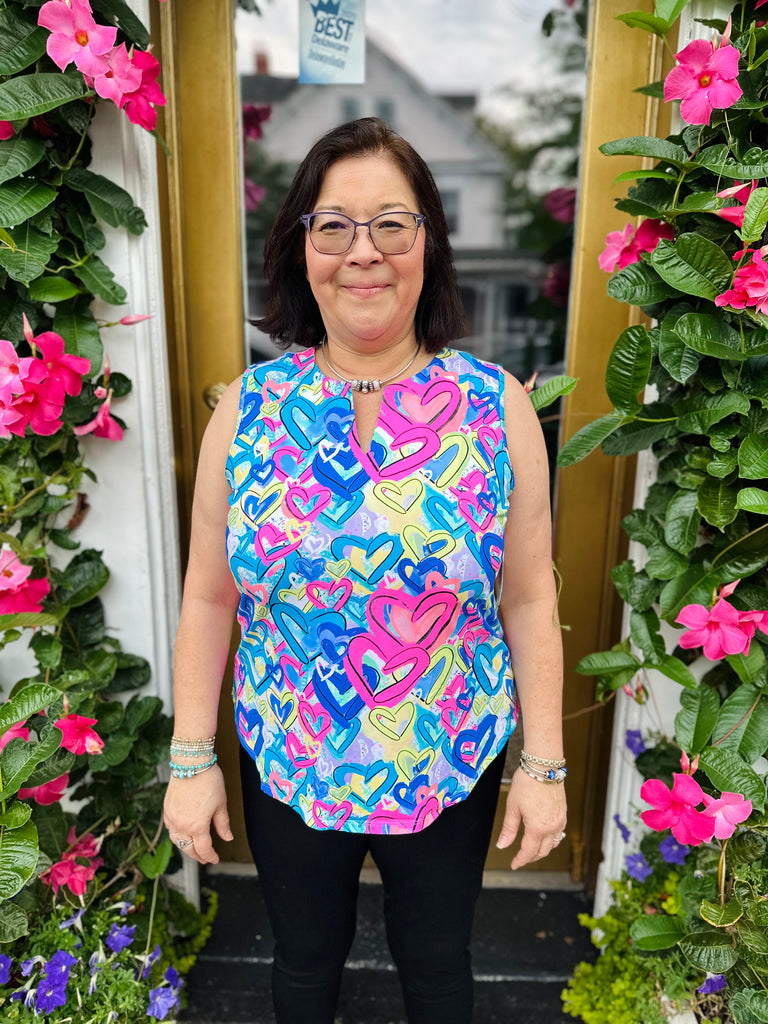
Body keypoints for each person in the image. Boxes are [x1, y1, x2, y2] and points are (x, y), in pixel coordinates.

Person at [163, 116, 567, 1024]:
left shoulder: (495, 406)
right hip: (291, 747)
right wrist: (191, 758)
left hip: (448, 750)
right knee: (304, 964)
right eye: (334, 225)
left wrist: (544, 767)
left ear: (430, 241)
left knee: (438, 966)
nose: (363, 252)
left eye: (391, 222)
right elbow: (209, 595)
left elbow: (529, 596)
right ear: (300, 248)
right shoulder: (248, 409)